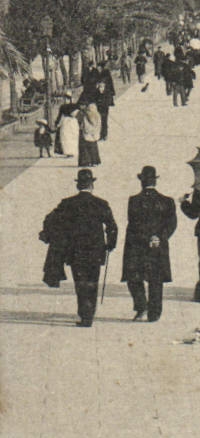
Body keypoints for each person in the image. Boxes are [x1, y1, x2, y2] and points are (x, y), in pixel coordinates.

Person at [40, 169, 119, 327]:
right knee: (92, 281)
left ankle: (85, 315)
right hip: (96, 250)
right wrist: (110, 244)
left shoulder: (67, 203)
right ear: (91, 185)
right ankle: (90, 314)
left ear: (78, 185)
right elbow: (112, 226)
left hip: (75, 250)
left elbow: (50, 219)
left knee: (80, 282)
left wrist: (48, 234)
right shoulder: (101, 203)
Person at [122, 165, 177, 322]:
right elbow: (172, 224)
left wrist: (147, 237)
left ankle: (141, 307)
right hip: (158, 245)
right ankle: (154, 314)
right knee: (156, 279)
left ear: (141, 181)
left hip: (137, 245)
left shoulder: (134, 201)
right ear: (155, 181)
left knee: (134, 278)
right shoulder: (168, 201)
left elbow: (134, 223)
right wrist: (158, 237)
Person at [76, 102, 101, 167]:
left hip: (85, 133)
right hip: (94, 134)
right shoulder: (97, 115)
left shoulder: (84, 115)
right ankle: (94, 161)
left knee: (84, 149)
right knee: (93, 148)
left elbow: (81, 123)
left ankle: (85, 162)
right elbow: (99, 125)